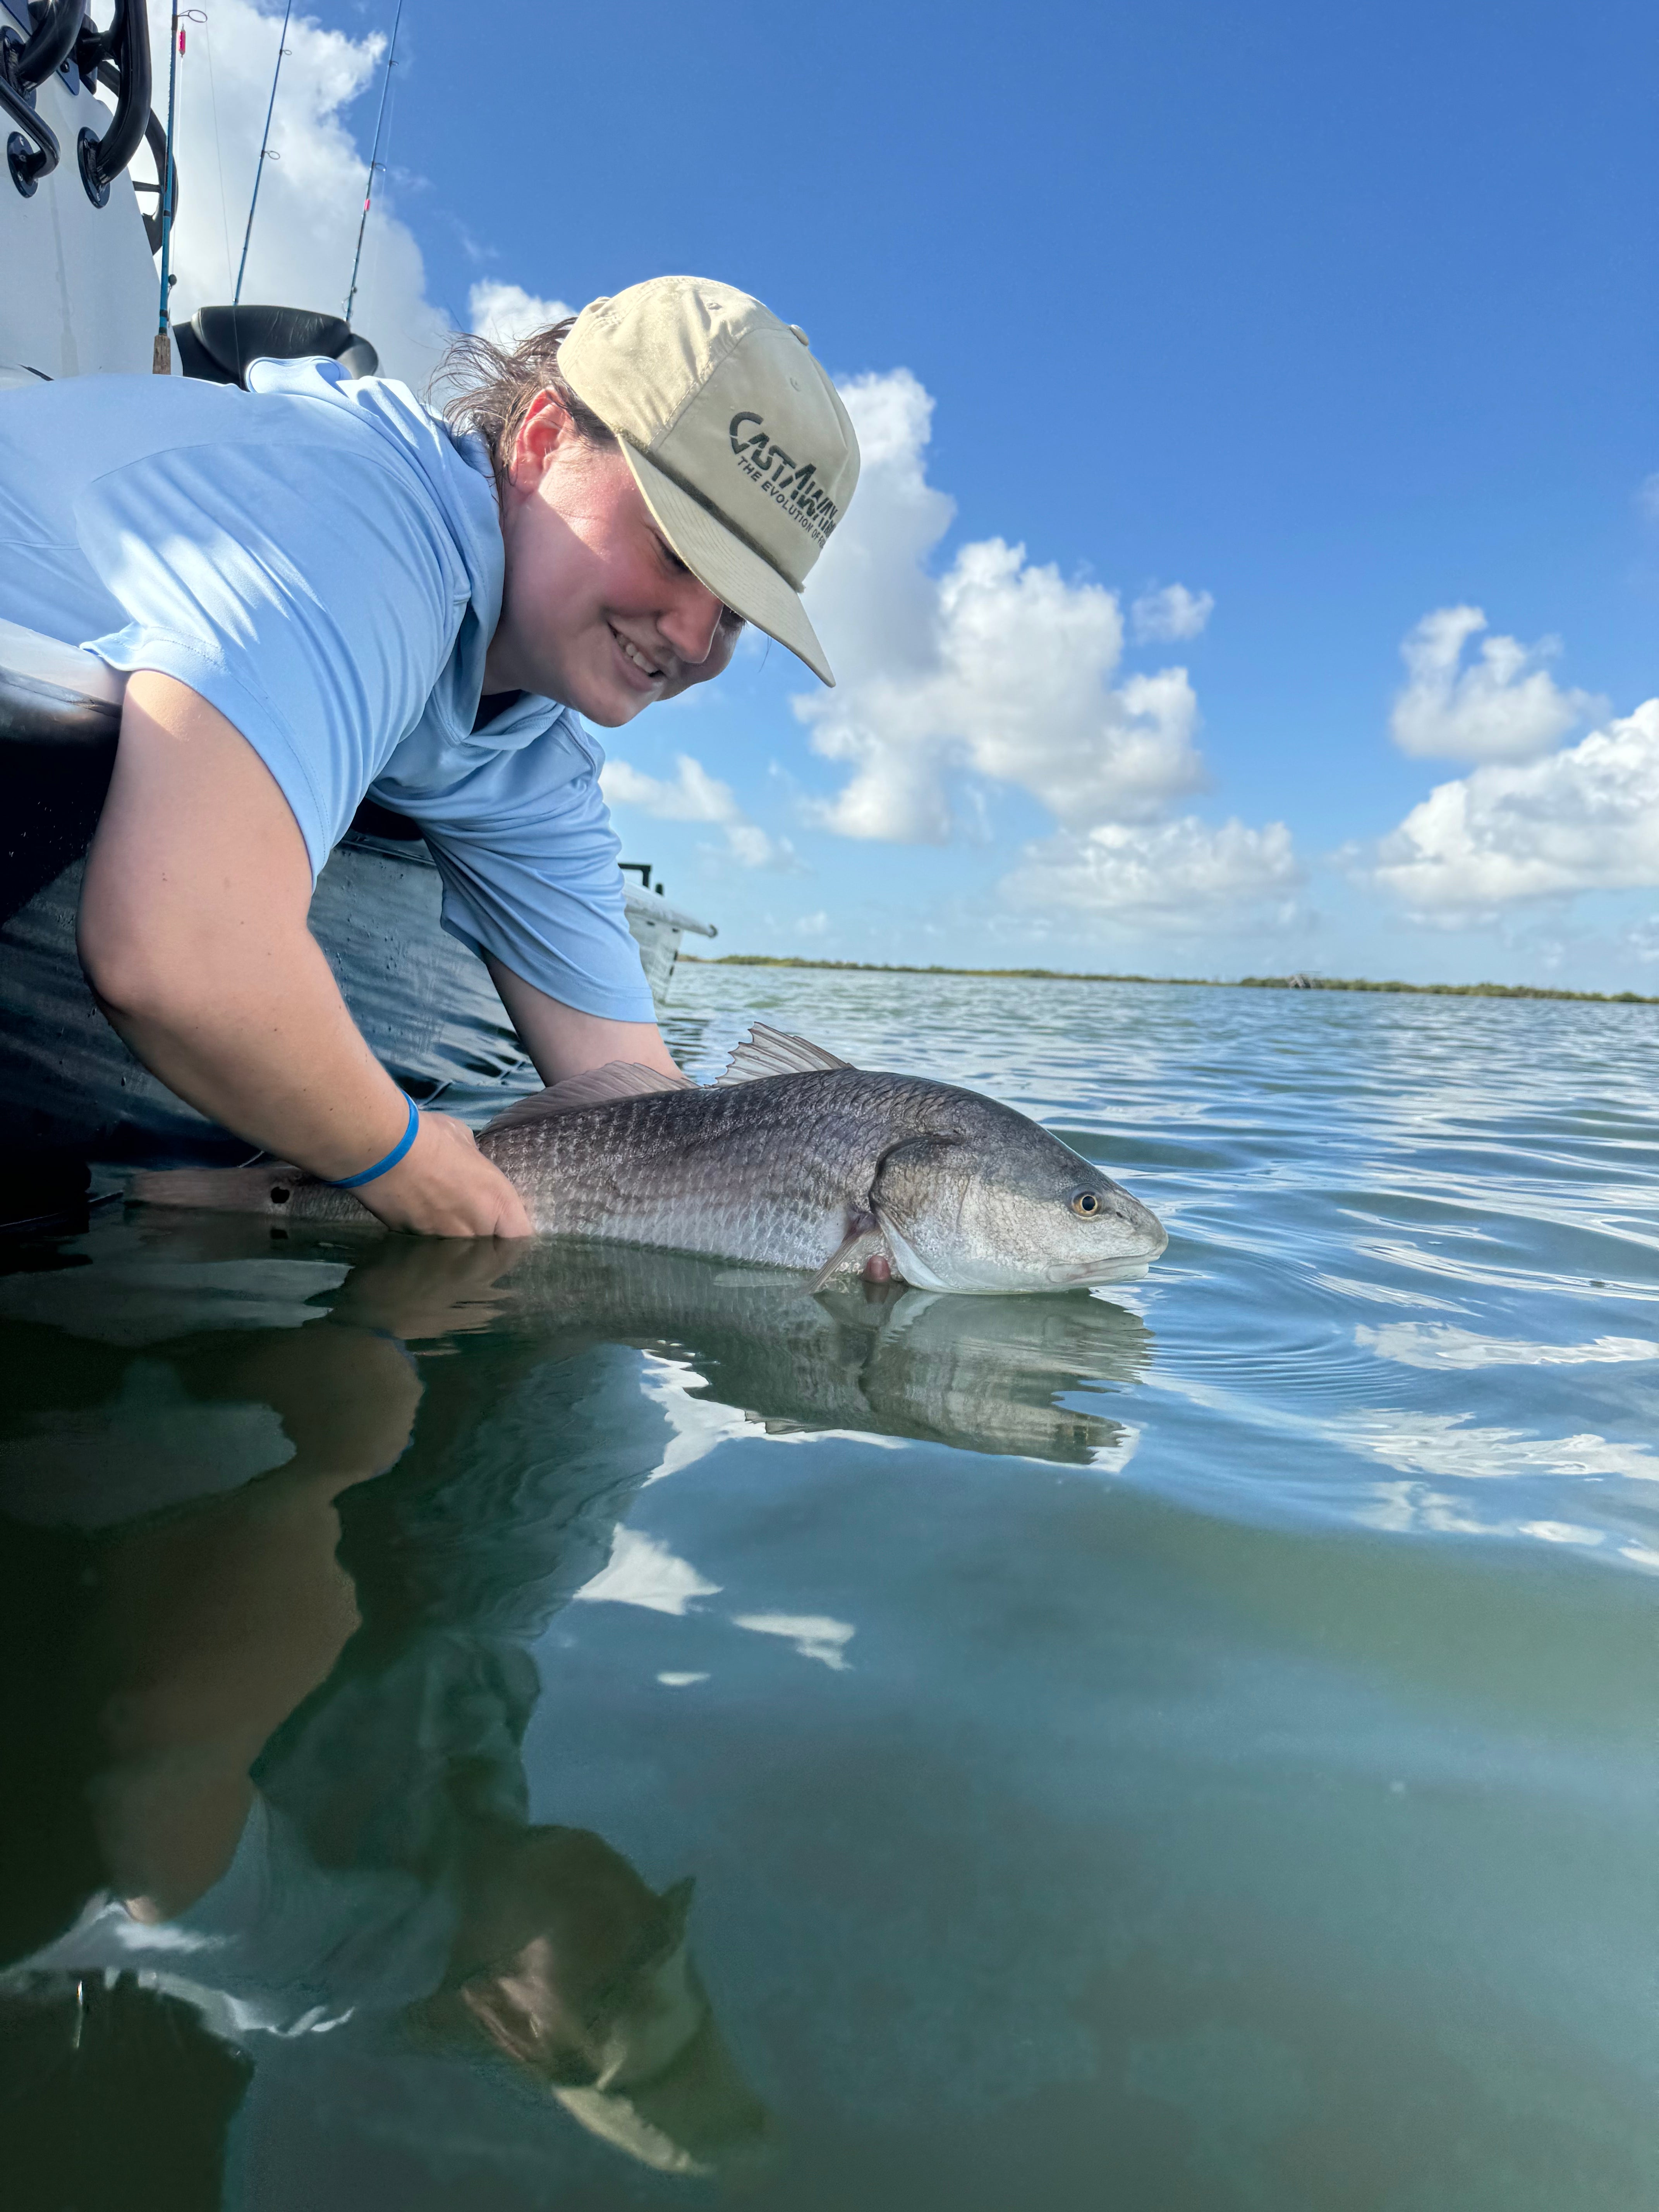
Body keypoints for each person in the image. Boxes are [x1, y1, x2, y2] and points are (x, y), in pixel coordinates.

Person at [0, 276, 860, 1235]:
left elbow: (646, 1114)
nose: (697, 639)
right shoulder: (355, 520)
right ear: (539, 439)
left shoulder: (533, 748)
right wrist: (401, 1157)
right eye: (673, 549)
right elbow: (177, 952)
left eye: (737, 612)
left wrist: (828, 1215)